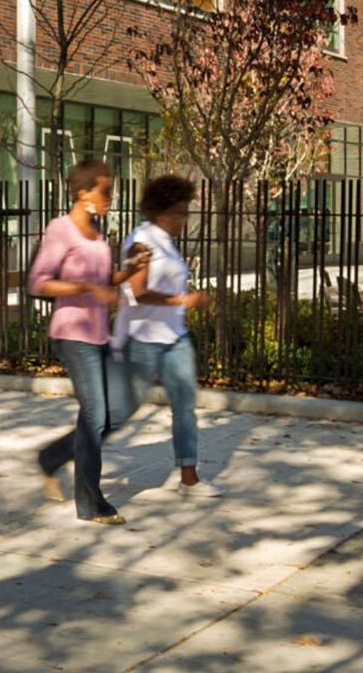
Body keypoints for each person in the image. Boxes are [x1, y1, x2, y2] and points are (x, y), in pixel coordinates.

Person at [29, 157, 147, 524]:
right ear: (83, 193)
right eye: (106, 191)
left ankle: (52, 457)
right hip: (72, 333)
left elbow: (105, 279)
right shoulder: (60, 229)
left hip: (99, 333)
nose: (111, 197)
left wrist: (131, 269)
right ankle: (91, 503)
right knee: (95, 413)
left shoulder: (98, 230)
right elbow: (38, 281)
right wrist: (82, 287)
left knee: (119, 409)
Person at [116, 174, 215, 496]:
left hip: (175, 336)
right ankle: (75, 448)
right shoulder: (141, 241)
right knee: (123, 410)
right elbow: (137, 291)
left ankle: (189, 478)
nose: (184, 221)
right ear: (159, 212)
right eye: (179, 214)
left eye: (186, 214)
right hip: (143, 337)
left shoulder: (167, 243)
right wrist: (184, 300)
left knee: (185, 405)